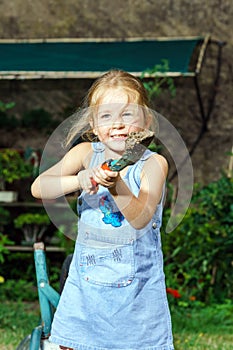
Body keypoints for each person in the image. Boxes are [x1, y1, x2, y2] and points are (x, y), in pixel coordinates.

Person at [31, 70, 174, 350]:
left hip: (138, 297)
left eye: (127, 115)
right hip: (85, 291)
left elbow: (141, 217)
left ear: (146, 121)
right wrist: (80, 179)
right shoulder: (85, 154)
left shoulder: (154, 164)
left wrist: (116, 184)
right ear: (94, 125)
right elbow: (39, 187)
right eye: (106, 116)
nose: (117, 124)